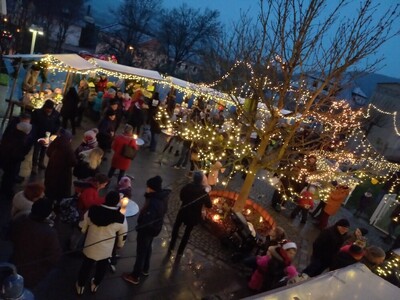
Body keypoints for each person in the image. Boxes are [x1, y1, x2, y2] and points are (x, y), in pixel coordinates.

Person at [76, 191, 128, 295]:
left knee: (86, 265)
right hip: (106, 249)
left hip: (90, 245)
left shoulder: (92, 210)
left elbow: (82, 226)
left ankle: (80, 285)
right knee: (102, 267)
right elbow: (123, 235)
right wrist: (120, 245)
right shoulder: (121, 218)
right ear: (117, 202)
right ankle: (95, 284)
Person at [123, 176, 170, 285]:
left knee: (141, 253)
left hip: (147, 230)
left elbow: (148, 220)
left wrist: (140, 226)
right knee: (147, 248)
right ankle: (145, 269)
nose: (146, 188)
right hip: (154, 229)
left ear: (151, 188)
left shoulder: (154, 201)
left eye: (148, 186)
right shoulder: (162, 197)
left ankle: (135, 276)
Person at [10, 197, 62, 289]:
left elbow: (10, 235)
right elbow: (54, 257)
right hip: (35, 273)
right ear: (47, 214)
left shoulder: (21, 219)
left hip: (15, 264)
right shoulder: (50, 233)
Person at [168, 171, 212, 256]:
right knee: (187, 233)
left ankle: (171, 247)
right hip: (193, 215)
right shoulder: (203, 193)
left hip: (183, 211)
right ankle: (180, 252)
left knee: (176, 228)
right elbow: (209, 205)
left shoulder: (187, 187)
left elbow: (181, 197)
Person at [0, 122, 32, 196]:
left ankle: (4, 189)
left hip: (6, 158)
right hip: (12, 160)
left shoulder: (12, 134)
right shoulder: (22, 139)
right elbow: (20, 151)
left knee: (7, 175)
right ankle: (6, 191)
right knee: (9, 176)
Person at [44, 128, 77, 200]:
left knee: (51, 190)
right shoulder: (68, 149)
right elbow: (73, 162)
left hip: (51, 170)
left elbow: (48, 153)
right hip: (63, 174)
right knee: (60, 193)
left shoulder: (54, 143)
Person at [31, 99, 61, 175]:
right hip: (38, 135)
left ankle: (41, 162)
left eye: (50, 109)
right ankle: (34, 166)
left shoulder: (56, 114)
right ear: (44, 107)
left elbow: (58, 124)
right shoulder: (37, 113)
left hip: (48, 136)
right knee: (36, 151)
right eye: (47, 109)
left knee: (44, 150)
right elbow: (33, 123)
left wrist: (55, 131)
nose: (48, 110)